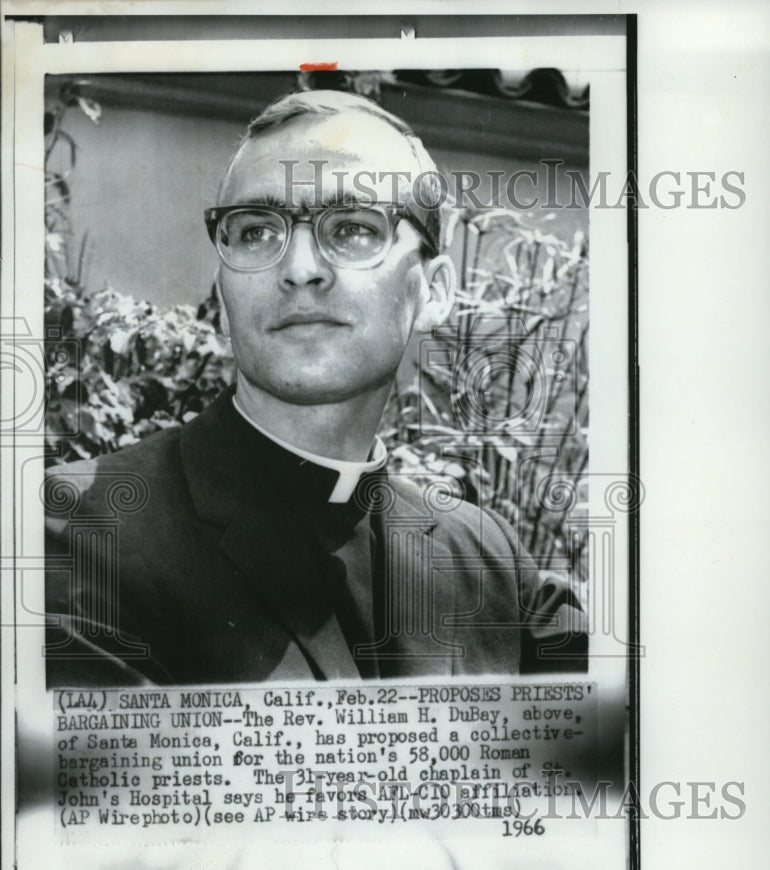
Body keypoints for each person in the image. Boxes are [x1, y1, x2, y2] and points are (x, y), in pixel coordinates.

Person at [44, 89, 587, 687]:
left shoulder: (489, 562)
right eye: (254, 232)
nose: (299, 266)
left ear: (433, 291)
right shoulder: (76, 530)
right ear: (223, 294)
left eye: (352, 227)